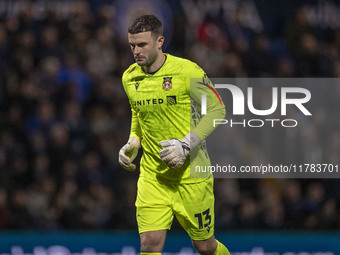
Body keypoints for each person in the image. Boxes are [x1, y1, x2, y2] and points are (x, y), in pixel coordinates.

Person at [118, 14, 229, 255]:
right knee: (149, 244)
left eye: (142, 45)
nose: (136, 51)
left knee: (205, 247)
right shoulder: (130, 77)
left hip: (191, 175)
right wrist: (133, 141)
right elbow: (138, 113)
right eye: (132, 45)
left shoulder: (187, 71)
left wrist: (187, 144)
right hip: (153, 176)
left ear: (160, 42)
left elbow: (217, 109)